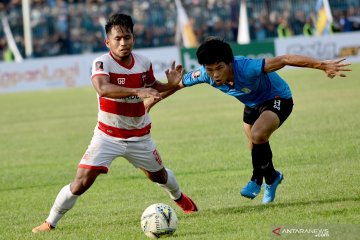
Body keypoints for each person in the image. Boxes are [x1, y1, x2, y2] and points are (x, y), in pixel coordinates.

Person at [32, 13, 197, 233]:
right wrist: (137, 91)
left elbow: (152, 87)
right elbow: (102, 88)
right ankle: (50, 222)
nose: (123, 42)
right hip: (107, 136)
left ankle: (180, 198)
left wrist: (170, 84)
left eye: (127, 37)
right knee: (82, 181)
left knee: (159, 176)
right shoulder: (102, 62)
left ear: (133, 38)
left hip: (140, 136)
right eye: (117, 38)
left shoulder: (143, 62)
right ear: (107, 42)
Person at [145, 37, 351, 205]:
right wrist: (149, 104)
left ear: (230, 63)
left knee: (259, 134)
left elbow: (285, 58)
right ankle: (272, 177)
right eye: (210, 70)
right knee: (254, 144)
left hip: (277, 98)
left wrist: (322, 65)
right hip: (252, 104)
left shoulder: (249, 67)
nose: (215, 75)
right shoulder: (205, 75)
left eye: (219, 68)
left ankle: (256, 180)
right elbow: (177, 84)